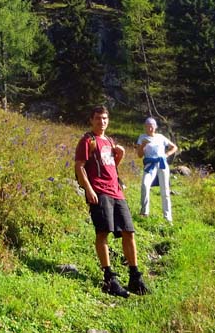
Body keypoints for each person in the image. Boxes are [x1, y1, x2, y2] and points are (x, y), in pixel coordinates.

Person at [75, 105, 149, 297]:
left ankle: (134, 276)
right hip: (99, 192)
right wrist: (89, 189)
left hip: (116, 192)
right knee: (103, 233)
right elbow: (80, 167)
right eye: (98, 118)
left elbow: (109, 166)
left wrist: (121, 156)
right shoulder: (87, 140)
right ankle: (109, 279)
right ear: (91, 120)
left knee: (128, 232)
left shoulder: (109, 140)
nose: (102, 122)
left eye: (105, 118)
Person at [137, 117, 178, 223]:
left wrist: (167, 154)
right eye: (148, 126)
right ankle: (144, 212)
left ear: (155, 127)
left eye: (152, 126)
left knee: (165, 190)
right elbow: (139, 155)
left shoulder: (160, 137)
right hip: (149, 165)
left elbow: (174, 147)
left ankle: (167, 217)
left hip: (162, 164)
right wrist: (142, 145)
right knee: (145, 185)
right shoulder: (142, 137)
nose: (150, 128)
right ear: (145, 127)